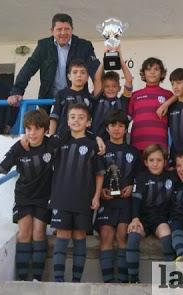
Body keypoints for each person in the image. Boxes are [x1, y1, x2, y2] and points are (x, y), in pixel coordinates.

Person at [0, 109, 54, 281]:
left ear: (45, 129)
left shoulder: (52, 145)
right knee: (24, 233)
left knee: (38, 233)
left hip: (44, 197)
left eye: (36, 129)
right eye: (28, 129)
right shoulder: (18, 148)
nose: (32, 133)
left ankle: (36, 278)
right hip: (24, 196)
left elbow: (74, 135)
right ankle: (22, 278)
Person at [49, 103, 104, 282]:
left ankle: (76, 282)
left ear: (88, 123)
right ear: (67, 120)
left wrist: (96, 196)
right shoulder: (59, 143)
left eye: (81, 117)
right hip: (61, 197)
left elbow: (99, 174)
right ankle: (58, 280)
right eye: (72, 117)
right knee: (63, 234)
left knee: (80, 236)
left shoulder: (92, 145)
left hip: (84, 199)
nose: (76, 120)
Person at [8, 13, 100, 113]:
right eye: (59, 29)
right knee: (44, 126)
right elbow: (28, 69)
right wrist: (17, 91)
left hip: (76, 97)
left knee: (73, 127)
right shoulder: (43, 46)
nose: (63, 33)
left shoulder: (84, 46)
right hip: (47, 98)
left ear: (72, 29)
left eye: (67, 29)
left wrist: (97, 95)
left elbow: (96, 71)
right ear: (52, 31)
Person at [95, 110, 140, 283]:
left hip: (125, 202)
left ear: (126, 129)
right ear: (107, 128)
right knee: (106, 235)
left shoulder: (133, 152)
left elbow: (139, 177)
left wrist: (131, 186)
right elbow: (95, 174)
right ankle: (108, 283)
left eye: (121, 126)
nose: (117, 129)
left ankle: (121, 283)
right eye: (113, 125)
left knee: (122, 235)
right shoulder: (101, 150)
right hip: (107, 201)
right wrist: (101, 191)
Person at [126, 144, 175, 283]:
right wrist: (135, 219)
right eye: (152, 160)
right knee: (133, 236)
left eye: (159, 160)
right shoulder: (141, 177)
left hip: (161, 219)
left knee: (166, 235)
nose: (155, 163)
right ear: (146, 162)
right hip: (143, 219)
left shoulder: (172, 177)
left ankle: (170, 279)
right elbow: (135, 200)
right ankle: (133, 279)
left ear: (165, 162)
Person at [128, 57, 173, 153]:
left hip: (160, 146)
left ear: (162, 73)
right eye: (148, 69)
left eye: (156, 69)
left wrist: (169, 101)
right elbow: (126, 119)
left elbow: (182, 94)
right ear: (143, 73)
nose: (152, 72)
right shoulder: (135, 95)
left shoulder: (168, 95)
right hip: (138, 144)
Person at [91, 47, 133, 140]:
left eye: (114, 86)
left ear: (119, 88)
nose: (111, 89)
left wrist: (120, 59)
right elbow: (97, 78)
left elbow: (129, 80)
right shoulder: (98, 99)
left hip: (117, 142)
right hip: (97, 141)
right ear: (102, 88)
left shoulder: (123, 101)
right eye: (107, 86)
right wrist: (104, 58)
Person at [49, 59, 95, 136]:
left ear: (87, 77)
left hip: (84, 139)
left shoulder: (90, 97)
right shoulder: (61, 94)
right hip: (62, 136)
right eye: (75, 72)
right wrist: (51, 136)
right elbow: (54, 117)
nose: (79, 75)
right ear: (69, 76)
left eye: (83, 72)